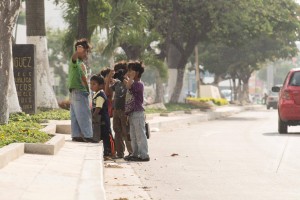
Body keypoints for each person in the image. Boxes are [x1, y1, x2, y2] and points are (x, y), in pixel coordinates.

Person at [68, 38, 95, 143]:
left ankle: (76, 135)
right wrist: (77, 52)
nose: (86, 54)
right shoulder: (75, 61)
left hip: (75, 92)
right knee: (84, 114)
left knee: (75, 115)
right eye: (86, 51)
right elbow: (73, 58)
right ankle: (88, 135)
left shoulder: (81, 63)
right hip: (79, 91)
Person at [123, 61, 150, 162]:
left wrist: (131, 77)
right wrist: (129, 75)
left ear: (137, 73)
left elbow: (129, 86)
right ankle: (135, 153)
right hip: (132, 113)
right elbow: (126, 82)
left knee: (140, 135)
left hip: (138, 113)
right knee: (133, 135)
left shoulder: (139, 84)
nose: (129, 73)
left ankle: (144, 155)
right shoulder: (132, 82)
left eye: (131, 70)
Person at [107, 61, 133, 159]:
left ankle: (131, 152)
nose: (119, 74)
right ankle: (120, 153)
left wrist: (124, 79)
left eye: (120, 72)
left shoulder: (129, 82)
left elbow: (130, 90)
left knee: (126, 131)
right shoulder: (117, 83)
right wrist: (110, 76)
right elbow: (109, 89)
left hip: (124, 110)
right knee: (117, 131)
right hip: (116, 109)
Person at [90, 75, 115, 157]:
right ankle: (106, 151)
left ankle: (112, 150)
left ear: (101, 85)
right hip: (100, 120)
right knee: (103, 136)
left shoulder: (100, 95)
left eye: (94, 84)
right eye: (91, 84)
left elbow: (98, 108)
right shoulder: (96, 94)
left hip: (103, 119)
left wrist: (93, 116)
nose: (91, 86)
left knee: (107, 136)